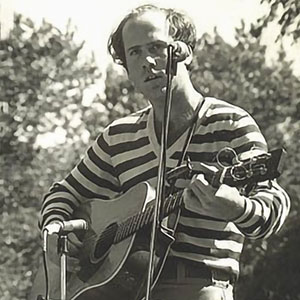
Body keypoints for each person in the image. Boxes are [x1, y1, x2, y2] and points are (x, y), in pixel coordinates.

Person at [37, 4, 290, 300]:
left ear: (183, 52)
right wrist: (55, 229)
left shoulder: (230, 123)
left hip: (197, 284)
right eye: (135, 53)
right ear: (127, 69)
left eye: (157, 47)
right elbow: (64, 192)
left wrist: (237, 208)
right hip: (119, 291)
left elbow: (273, 208)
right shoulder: (118, 136)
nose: (147, 61)